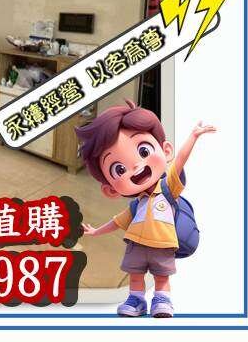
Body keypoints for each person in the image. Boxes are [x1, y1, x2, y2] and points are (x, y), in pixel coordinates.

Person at [75, 100, 215, 318]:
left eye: (143, 151)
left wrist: (193, 136)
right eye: (119, 169)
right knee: (135, 275)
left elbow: (180, 160)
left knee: (161, 277)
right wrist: (95, 231)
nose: (136, 167)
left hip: (163, 244)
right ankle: (136, 300)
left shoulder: (168, 187)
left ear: (166, 150)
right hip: (136, 246)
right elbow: (117, 222)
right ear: (111, 189)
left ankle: (162, 300)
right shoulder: (135, 205)